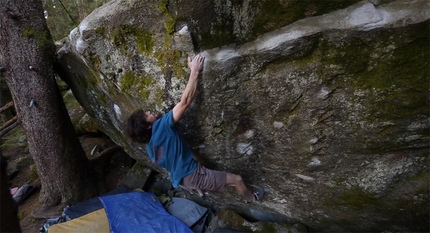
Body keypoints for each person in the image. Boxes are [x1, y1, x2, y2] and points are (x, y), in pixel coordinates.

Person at [126, 54, 264, 203]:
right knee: (237, 180)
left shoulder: (150, 148)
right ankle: (251, 198)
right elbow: (185, 102)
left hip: (182, 179)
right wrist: (195, 71)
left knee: (197, 176)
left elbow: (167, 162)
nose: (149, 112)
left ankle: (197, 187)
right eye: (146, 115)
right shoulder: (162, 125)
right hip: (195, 175)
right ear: (148, 126)